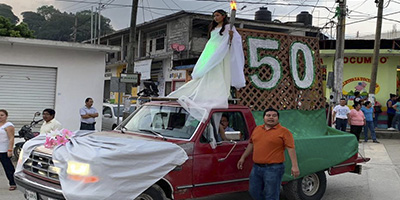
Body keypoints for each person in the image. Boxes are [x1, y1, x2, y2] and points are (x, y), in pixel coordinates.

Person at [167, 9, 245, 118]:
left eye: (217, 15)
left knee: (217, 72)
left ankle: (215, 93)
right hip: (210, 51)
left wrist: (231, 36)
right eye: (214, 16)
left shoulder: (228, 27)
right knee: (205, 71)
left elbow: (235, 40)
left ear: (223, 16)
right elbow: (212, 40)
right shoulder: (213, 27)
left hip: (221, 53)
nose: (215, 18)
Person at [237, 108, 299, 200]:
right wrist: (243, 158)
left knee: (271, 195)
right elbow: (251, 144)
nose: (271, 118)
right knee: (253, 191)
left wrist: (295, 166)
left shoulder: (284, 132)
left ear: (278, 118)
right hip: (256, 168)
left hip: (274, 169)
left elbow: (291, 148)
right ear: (264, 118)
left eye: (274, 116)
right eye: (268, 115)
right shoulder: (257, 129)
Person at [0, 109, 17, 191]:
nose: (0, 117)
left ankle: (13, 183)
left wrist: (10, 150)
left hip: (4, 150)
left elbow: (11, 138)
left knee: (8, 168)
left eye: (2, 115)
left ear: (6, 116)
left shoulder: (8, 125)